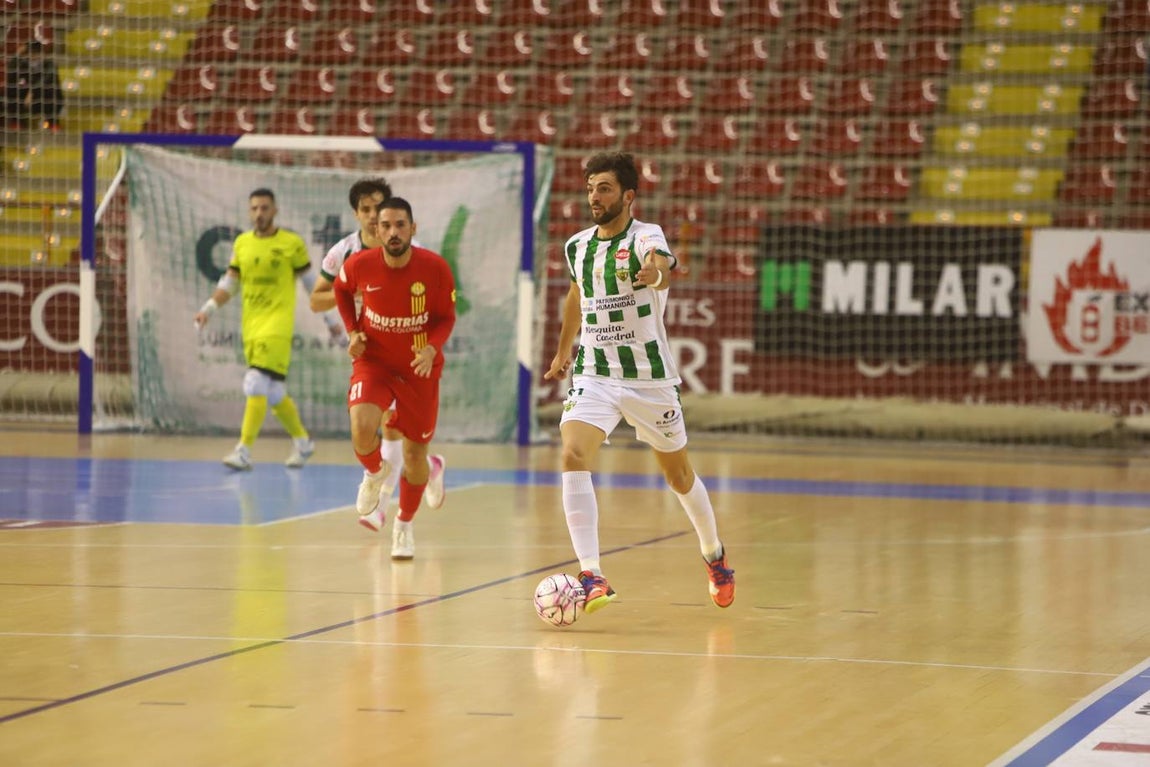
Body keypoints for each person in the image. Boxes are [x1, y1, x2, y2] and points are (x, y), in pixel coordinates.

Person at [543, 152, 735, 613]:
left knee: (679, 475)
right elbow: (576, 293)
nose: (594, 196)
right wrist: (564, 348)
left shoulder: (646, 235)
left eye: (604, 188)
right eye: (590, 187)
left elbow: (662, 263)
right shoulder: (577, 246)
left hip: (649, 378)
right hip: (595, 372)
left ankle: (715, 556)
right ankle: (592, 575)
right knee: (571, 453)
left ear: (628, 196)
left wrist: (657, 273)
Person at [309, 178, 445, 518]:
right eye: (366, 210)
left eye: (378, 209)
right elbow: (316, 300)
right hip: (369, 350)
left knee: (395, 428)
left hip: (407, 351)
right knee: (378, 425)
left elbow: (436, 306)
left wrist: (428, 346)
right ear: (356, 215)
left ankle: (386, 505)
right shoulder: (344, 253)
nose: (373, 217)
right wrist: (361, 296)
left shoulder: (415, 251)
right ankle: (401, 484)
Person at [332, 197, 453, 560]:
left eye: (401, 225)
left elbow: (446, 317)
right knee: (360, 427)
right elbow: (340, 290)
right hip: (376, 363)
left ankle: (403, 524)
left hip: (419, 369)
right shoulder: (359, 265)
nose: (393, 232)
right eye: (386, 226)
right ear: (375, 230)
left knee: (415, 457)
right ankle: (375, 473)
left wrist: (431, 348)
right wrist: (353, 331)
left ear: (413, 229)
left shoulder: (434, 268)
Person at [194, 188, 335, 471]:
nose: (260, 213)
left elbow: (310, 284)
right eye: (255, 208)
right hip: (252, 325)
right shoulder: (243, 243)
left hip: (277, 325)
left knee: (255, 382)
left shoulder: (291, 243)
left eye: (265, 208)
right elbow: (230, 283)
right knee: (273, 392)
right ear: (250, 212)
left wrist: (330, 320)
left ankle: (243, 451)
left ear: (275, 210)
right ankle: (303, 443)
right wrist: (208, 308)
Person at [4, 40, 63, 131]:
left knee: (52, 91)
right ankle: (18, 123)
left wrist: (31, 92)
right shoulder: (22, 64)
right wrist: (17, 54)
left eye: (36, 53)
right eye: (31, 53)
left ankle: (53, 124)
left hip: (43, 97)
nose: (34, 56)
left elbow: (45, 80)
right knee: (13, 88)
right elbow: (11, 72)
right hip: (26, 100)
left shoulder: (50, 64)